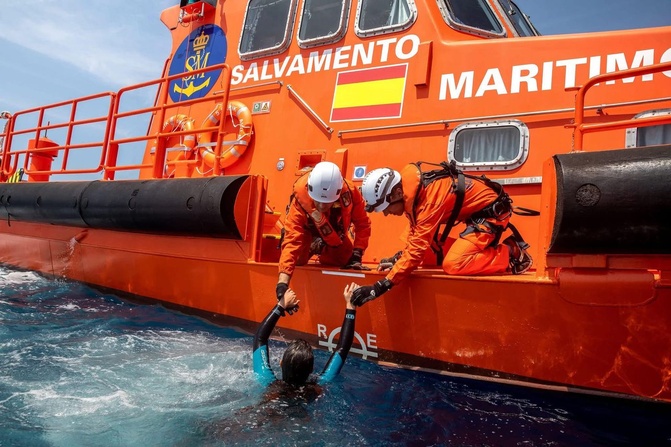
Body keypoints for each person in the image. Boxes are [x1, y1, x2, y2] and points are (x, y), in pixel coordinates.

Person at [351, 161, 532, 306]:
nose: (386, 213)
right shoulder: (411, 193)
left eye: (386, 207)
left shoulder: (429, 201)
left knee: (454, 264)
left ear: (397, 192)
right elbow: (415, 236)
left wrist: (381, 286)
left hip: (492, 216)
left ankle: (512, 253)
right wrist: (400, 259)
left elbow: (416, 250)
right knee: (416, 245)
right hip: (476, 214)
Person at [276, 161, 371, 307]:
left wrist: (357, 253)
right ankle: (313, 245)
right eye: (318, 201)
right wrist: (283, 282)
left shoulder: (351, 193)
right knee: (298, 261)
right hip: (306, 232)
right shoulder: (300, 200)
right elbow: (292, 239)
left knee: (344, 258)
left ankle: (321, 247)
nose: (321, 206)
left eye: (326, 203)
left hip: (334, 234)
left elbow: (362, 223)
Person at [253, 282, 359, 396]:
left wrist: (281, 305)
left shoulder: (267, 382)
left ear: (281, 363)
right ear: (312, 369)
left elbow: (260, 338)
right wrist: (350, 306)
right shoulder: (317, 388)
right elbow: (343, 348)